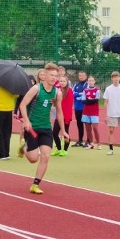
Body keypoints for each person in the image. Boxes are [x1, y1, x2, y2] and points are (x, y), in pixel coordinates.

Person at [19, 62, 68, 195]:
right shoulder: (36, 89)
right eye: (51, 75)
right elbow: (22, 105)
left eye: (55, 75)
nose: (54, 78)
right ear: (44, 76)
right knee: (33, 159)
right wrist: (27, 121)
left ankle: (35, 184)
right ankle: (24, 147)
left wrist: (63, 130)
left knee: (45, 156)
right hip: (33, 128)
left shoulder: (57, 93)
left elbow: (59, 112)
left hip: (46, 128)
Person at [0, 78, 19, 160]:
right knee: (7, 132)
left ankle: (1, 153)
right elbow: (16, 94)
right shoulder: (12, 81)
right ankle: (6, 152)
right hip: (9, 108)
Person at [103, 71, 120, 156]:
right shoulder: (108, 89)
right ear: (112, 78)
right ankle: (110, 148)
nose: (116, 79)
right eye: (114, 77)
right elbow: (105, 102)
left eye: (117, 77)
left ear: (119, 78)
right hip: (111, 113)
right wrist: (106, 115)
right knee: (111, 130)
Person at [51, 75, 74, 157]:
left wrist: (66, 117)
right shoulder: (58, 91)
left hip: (66, 116)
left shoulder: (70, 91)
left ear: (67, 82)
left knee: (66, 133)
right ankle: (59, 149)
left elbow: (69, 105)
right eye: (61, 81)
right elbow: (56, 104)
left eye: (64, 81)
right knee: (54, 133)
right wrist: (53, 101)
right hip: (59, 115)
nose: (62, 83)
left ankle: (65, 150)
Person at [80, 76, 101, 149]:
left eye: (92, 80)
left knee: (95, 128)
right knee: (88, 129)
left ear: (94, 81)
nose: (91, 82)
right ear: (88, 82)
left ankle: (99, 144)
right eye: (89, 80)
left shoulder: (97, 90)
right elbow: (83, 101)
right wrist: (91, 100)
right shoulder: (85, 90)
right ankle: (91, 144)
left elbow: (96, 100)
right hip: (86, 112)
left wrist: (89, 101)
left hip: (94, 112)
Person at [72, 71, 89, 147]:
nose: (81, 77)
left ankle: (88, 141)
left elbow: (85, 93)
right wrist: (79, 94)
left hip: (84, 108)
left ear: (86, 76)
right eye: (80, 75)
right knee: (79, 124)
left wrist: (77, 94)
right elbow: (72, 93)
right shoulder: (76, 84)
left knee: (87, 124)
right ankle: (80, 140)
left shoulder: (86, 84)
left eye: (82, 75)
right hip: (77, 108)